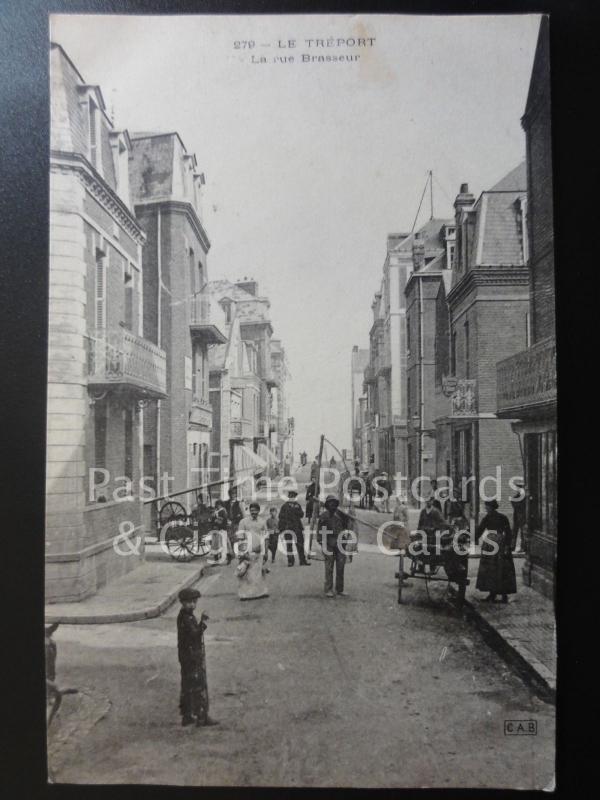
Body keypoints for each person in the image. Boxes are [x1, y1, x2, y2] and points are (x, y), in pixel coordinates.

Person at [177, 587, 218, 727]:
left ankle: (187, 715)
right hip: (192, 656)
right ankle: (202, 716)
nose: (192, 605)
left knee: (188, 685)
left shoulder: (184, 615)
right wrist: (203, 623)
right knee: (199, 684)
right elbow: (195, 635)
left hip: (186, 656)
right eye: (189, 602)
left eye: (194, 602)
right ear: (182, 603)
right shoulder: (186, 618)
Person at [475, 499, 517, 603]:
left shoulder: (498, 517)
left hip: (495, 543)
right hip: (494, 543)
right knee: (495, 569)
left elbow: (508, 532)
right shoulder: (492, 517)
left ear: (492, 507)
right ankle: (494, 594)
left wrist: (507, 546)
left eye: (487, 507)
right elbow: (480, 530)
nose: (486, 509)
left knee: (497, 568)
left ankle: (501, 595)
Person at [318, 495, 350, 597]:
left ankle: (340, 589)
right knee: (329, 567)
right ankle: (328, 589)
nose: (333, 505)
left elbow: (347, 526)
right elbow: (321, 532)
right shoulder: (324, 516)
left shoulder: (341, 515)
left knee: (340, 567)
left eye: (334, 503)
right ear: (327, 505)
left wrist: (348, 516)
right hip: (329, 543)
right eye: (330, 503)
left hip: (340, 543)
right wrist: (323, 544)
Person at [236, 503, 270, 600]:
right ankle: (244, 595)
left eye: (255, 510)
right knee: (246, 572)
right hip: (247, 550)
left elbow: (266, 537)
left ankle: (260, 593)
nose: (253, 512)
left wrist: (266, 551)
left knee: (258, 573)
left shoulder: (262, 522)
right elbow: (240, 537)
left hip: (259, 550)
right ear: (249, 511)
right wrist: (242, 551)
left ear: (259, 511)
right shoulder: (243, 522)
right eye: (252, 510)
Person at [278, 489, 309, 566]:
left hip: (297, 527)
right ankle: (290, 561)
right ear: (289, 497)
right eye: (291, 497)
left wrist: (295, 510)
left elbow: (302, 514)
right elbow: (280, 517)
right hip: (287, 528)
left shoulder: (297, 505)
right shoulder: (284, 506)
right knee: (289, 545)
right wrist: (281, 529)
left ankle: (302, 560)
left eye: (293, 497)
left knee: (300, 544)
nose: (292, 498)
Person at [210, 500, 231, 564]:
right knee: (215, 545)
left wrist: (215, 521)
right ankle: (216, 560)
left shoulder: (223, 511)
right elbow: (213, 520)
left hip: (221, 530)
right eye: (217, 505)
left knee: (223, 545)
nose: (218, 506)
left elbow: (221, 521)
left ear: (221, 505)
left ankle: (228, 558)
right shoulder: (217, 511)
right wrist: (213, 519)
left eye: (219, 505)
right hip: (216, 530)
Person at [510, 480, 526, 553]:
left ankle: (523, 547)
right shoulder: (519, 495)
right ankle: (512, 546)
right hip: (517, 515)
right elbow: (513, 501)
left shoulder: (524, 496)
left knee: (522, 532)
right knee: (514, 531)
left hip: (522, 516)